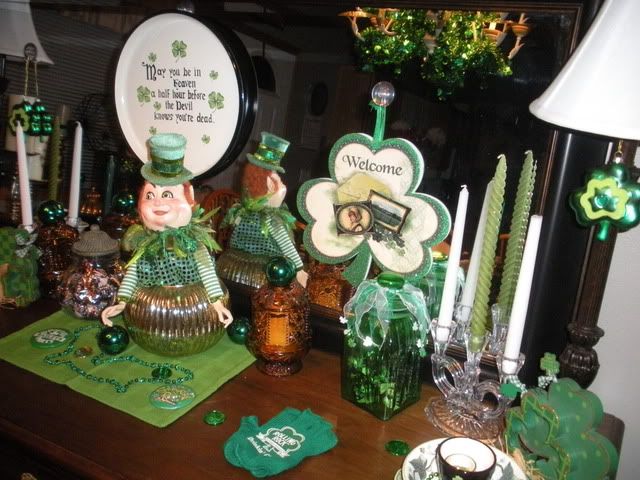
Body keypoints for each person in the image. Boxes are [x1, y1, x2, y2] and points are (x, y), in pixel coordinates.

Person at [101, 133, 232, 327]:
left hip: (188, 312)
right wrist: (122, 302)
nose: (157, 202)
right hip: (151, 313)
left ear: (189, 198)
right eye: (150, 195)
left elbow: (207, 273)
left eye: (168, 194)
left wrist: (217, 303)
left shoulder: (191, 243)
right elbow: (133, 272)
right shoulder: (144, 242)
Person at [216, 132, 307, 288]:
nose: (283, 186)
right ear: (269, 185)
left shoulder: (242, 212)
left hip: (233, 265)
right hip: (265, 272)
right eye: (278, 181)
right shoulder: (271, 219)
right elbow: (286, 246)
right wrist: (299, 269)